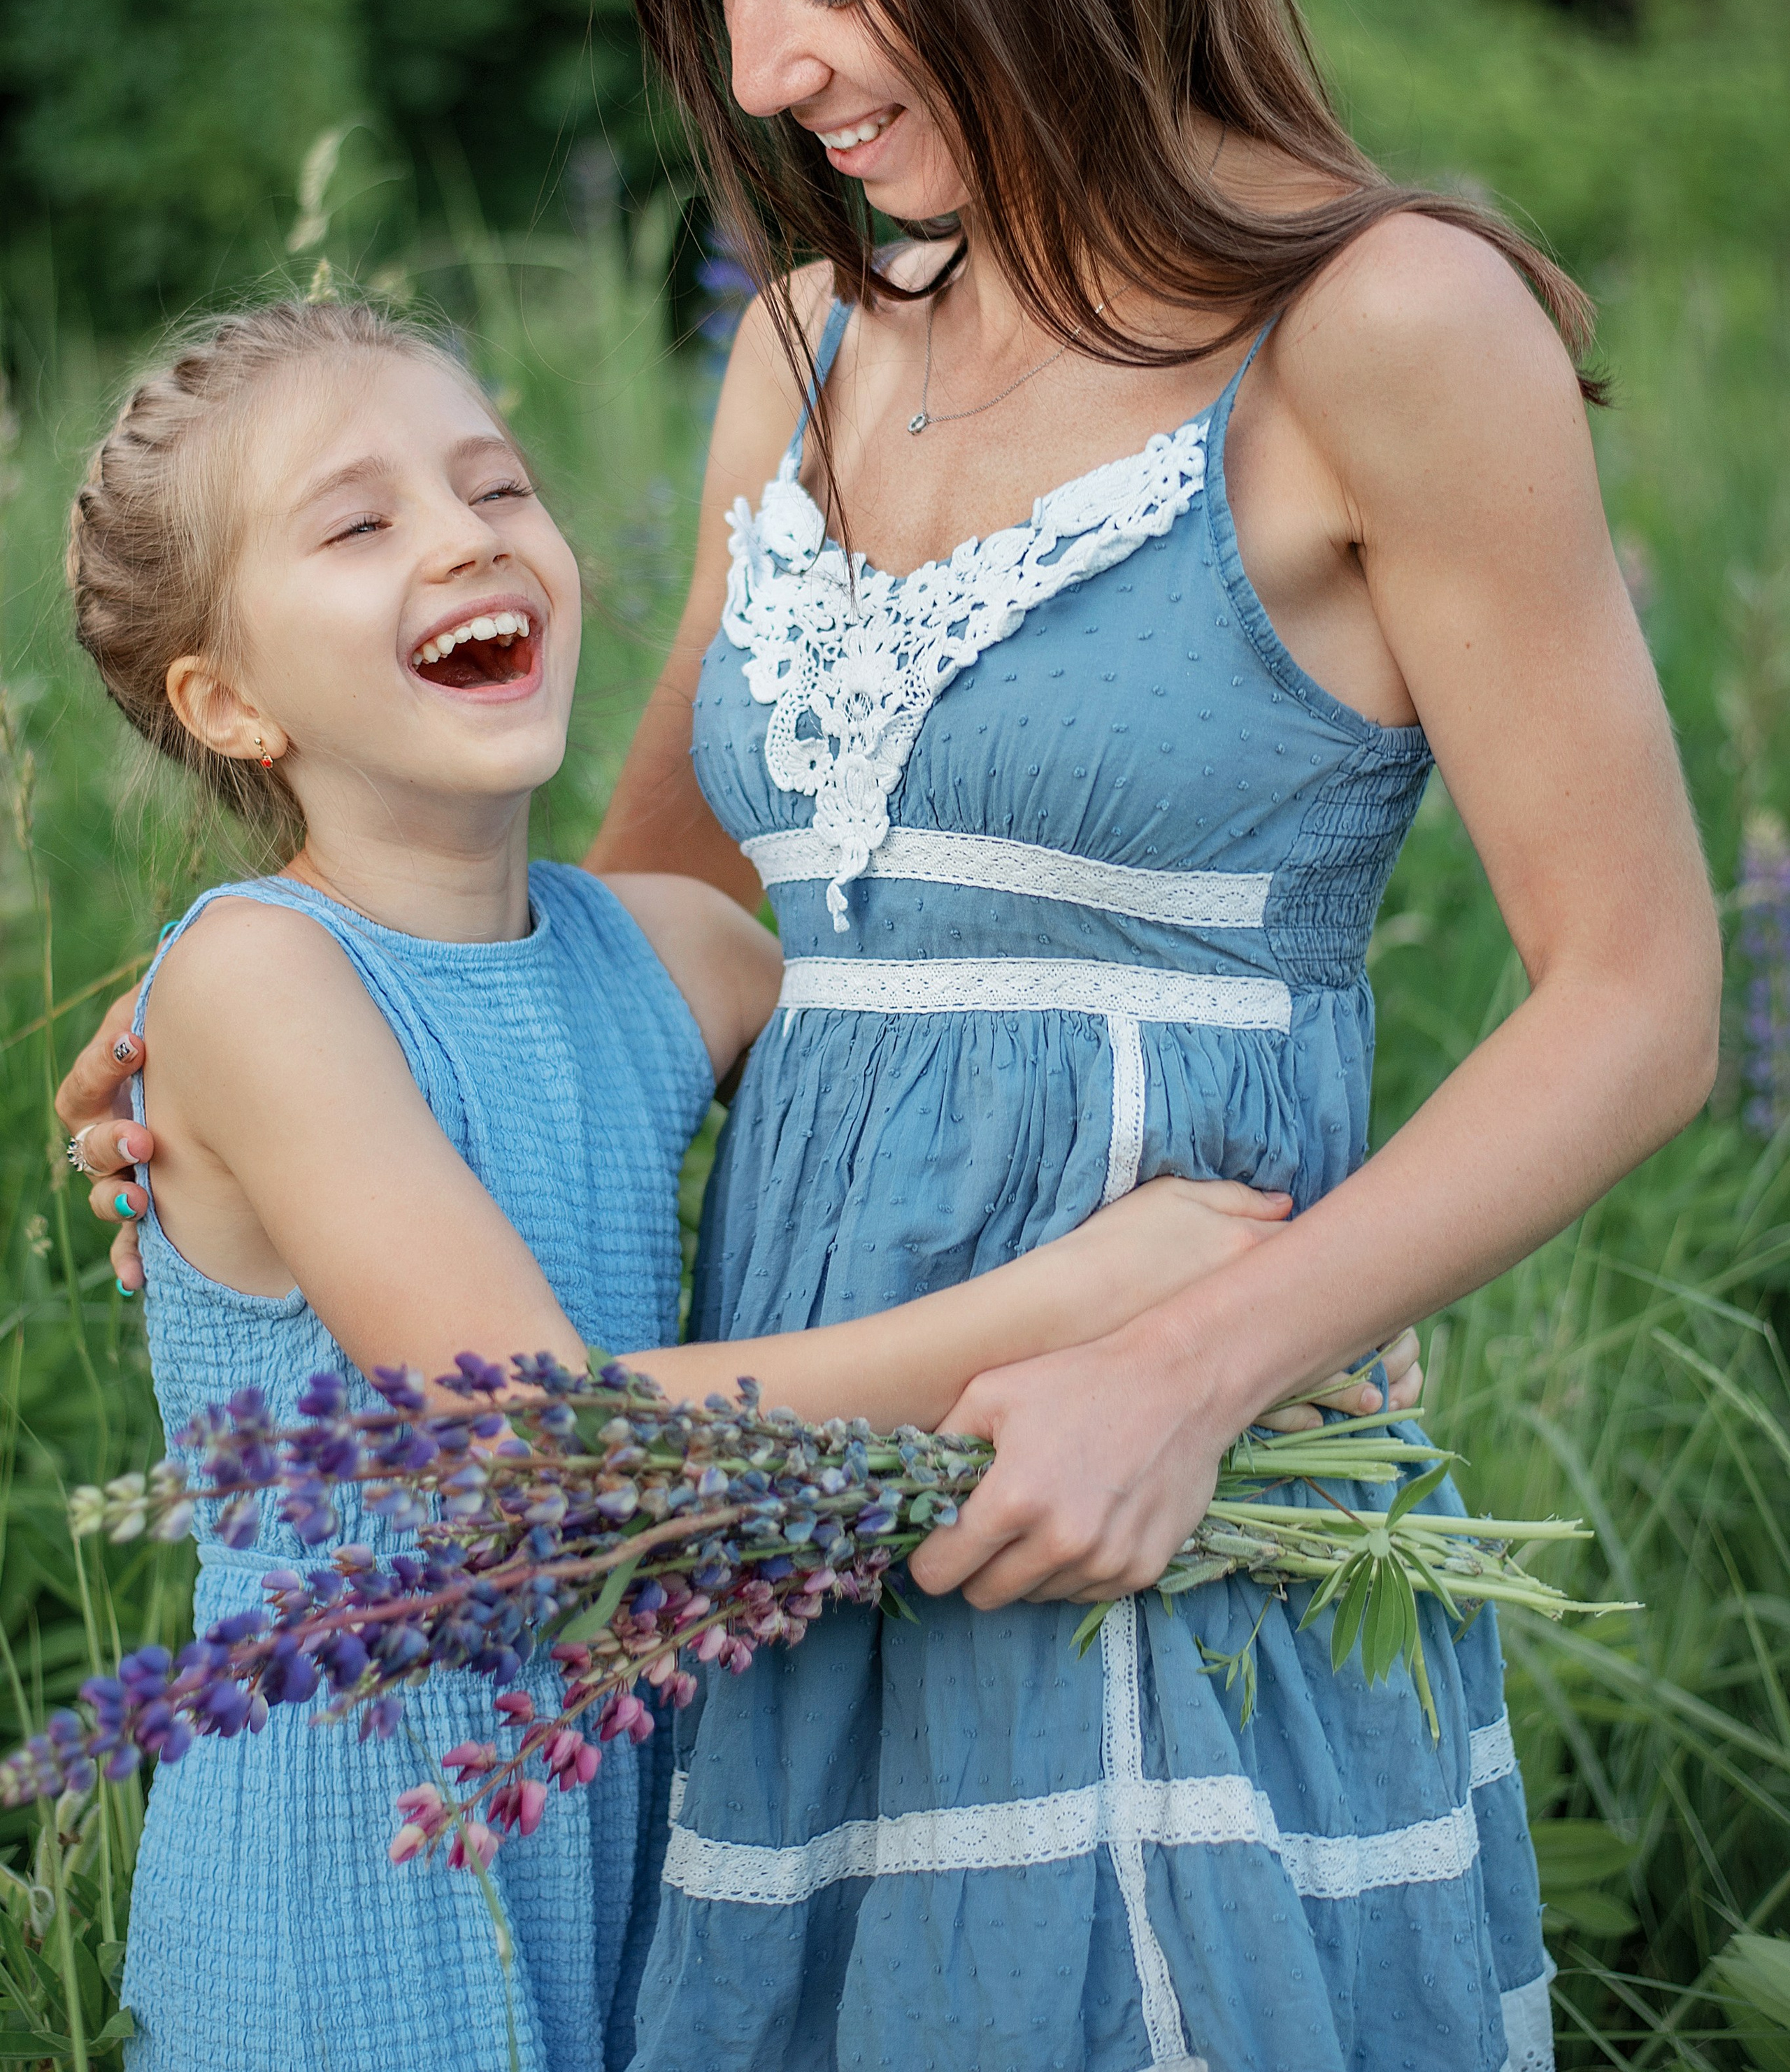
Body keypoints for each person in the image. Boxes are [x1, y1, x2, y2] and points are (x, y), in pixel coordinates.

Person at [59, 0, 1716, 2072]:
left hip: (1143, 1507)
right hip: (777, 1534)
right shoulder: (807, 351)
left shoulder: (1388, 327)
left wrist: (1200, 1357)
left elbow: (1641, 1001)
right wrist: (283, 1032)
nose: (766, 68)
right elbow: (627, 921)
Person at [65, 296, 1305, 2072]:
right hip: (358, 1868)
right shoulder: (256, 982)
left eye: (494, 483)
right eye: (359, 523)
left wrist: (1264, 1322)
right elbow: (544, 1456)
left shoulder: (675, 954)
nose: (465, 533)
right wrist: (1085, 1302)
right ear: (225, 701)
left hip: (647, 1808)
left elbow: (982, 1128)